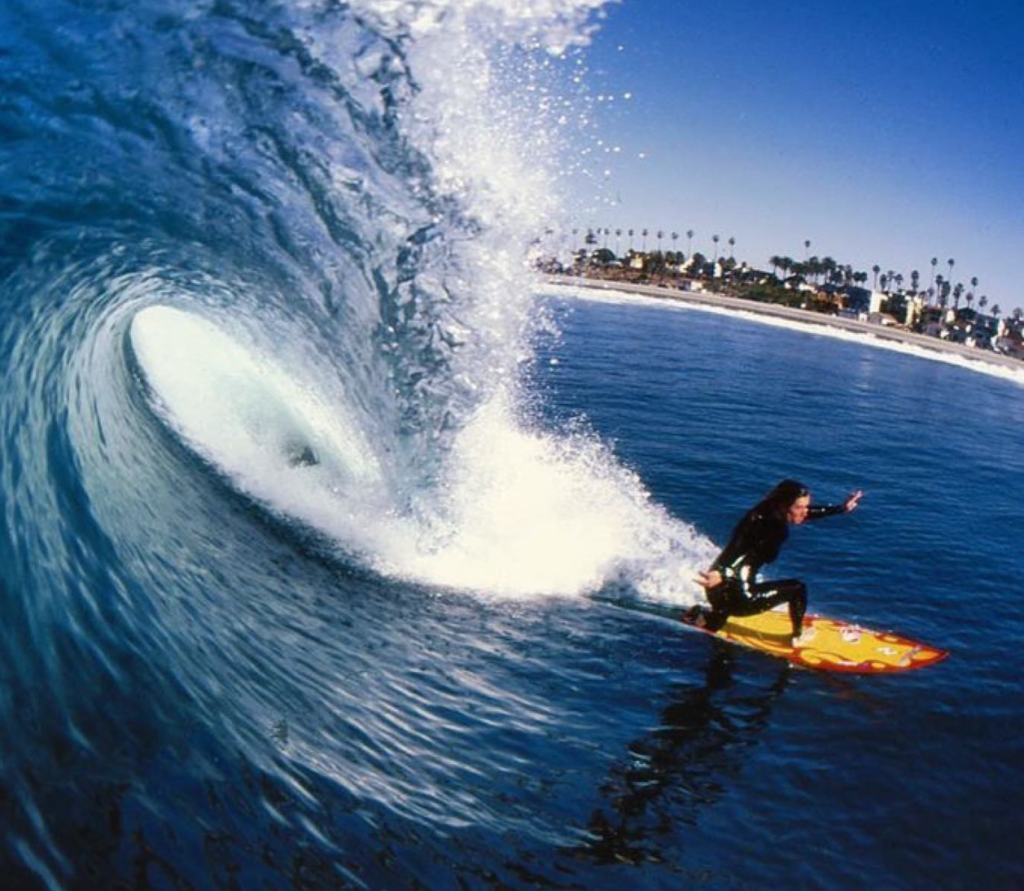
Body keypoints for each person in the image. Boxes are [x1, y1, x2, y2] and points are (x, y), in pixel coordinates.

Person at [687, 479, 863, 644]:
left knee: (725, 607)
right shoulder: (766, 524)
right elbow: (737, 546)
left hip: (718, 590)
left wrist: (840, 509)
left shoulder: (765, 511)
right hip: (737, 595)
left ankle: (706, 619)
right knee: (797, 589)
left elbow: (804, 513)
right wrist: (722, 572)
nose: (805, 511)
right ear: (784, 505)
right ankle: (797, 636)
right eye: (799, 507)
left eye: (806, 506)